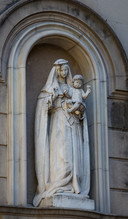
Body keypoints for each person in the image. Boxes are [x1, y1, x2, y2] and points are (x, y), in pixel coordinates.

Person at [33, 59, 90, 207]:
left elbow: (79, 104)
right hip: (58, 122)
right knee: (61, 154)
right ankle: (58, 184)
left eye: (66, 70)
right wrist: (52, 100)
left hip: (73, 123)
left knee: (74, 154)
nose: (64, 73)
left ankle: (72, 185)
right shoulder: (50, 88)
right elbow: (44, 107)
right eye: (61, 70)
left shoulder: (73, 88)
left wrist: (80, 111)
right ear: (57, 71)